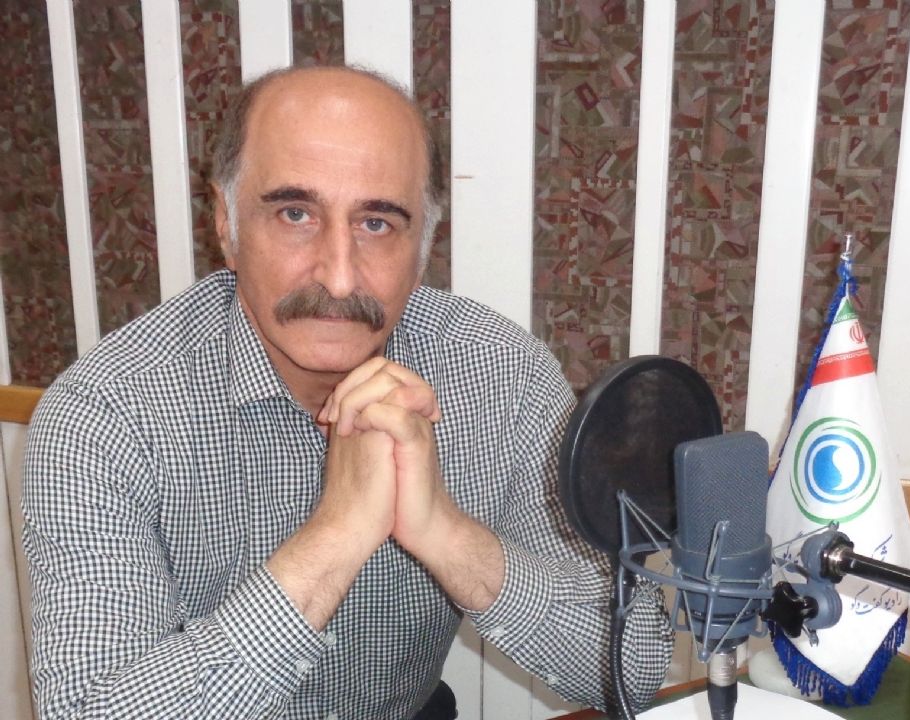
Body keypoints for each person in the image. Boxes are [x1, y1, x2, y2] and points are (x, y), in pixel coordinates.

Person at [21, 65, 672, 719]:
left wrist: (445, 534)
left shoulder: (503, 374)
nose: (337, 278)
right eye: (295, 214)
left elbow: (636, 666)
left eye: (377, 223)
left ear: (424, 247)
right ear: (225, 224)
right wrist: (337, 534)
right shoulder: (103, 414)